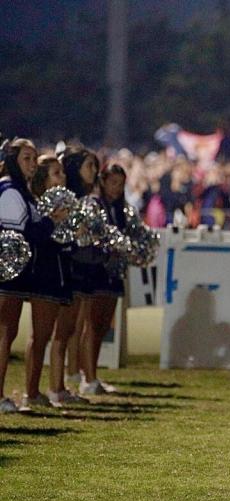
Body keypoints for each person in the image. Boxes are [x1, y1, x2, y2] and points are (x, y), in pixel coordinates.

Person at [0, 138, 69, 412]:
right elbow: (25, 236)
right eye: (26, 159)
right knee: (4, 334)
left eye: (33, 158)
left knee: (8, 333)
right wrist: (53, 221)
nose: (31, 164)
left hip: (17, 276)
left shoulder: (22, 192)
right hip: (7, 275)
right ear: (12, 160)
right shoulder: (9, 191)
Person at [29, 154, 87, 406]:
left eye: (62, 172)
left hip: (62, 273)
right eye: (56, 173)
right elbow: (40, 238)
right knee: (41, 336)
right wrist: (54, 221)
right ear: (44, 179)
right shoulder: (40, 206)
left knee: (61, 332)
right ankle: (33, 392)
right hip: (45, 274)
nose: (62, 177)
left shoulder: (66, 205)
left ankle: (55, 387)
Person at [73, 163, 129, 395]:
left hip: (112, 273)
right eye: (113, 182)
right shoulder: (94, 204)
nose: (116, 188)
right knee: (92, 325)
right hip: (96, 270)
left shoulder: (120, 208)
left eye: (121, 184)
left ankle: (92, 374)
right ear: (103, 181)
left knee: (104, 325)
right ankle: (88, 377)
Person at [54, 147, 100, 394]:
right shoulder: (69, 200)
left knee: (78, 326)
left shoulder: (88, 198)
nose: (94, 172)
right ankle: (60, 383)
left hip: (85, 266)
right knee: (65, 330)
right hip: (72, 266)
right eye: (88, 166)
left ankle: (71, 376)